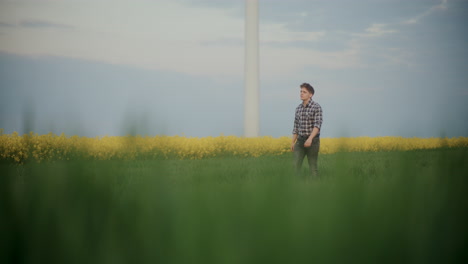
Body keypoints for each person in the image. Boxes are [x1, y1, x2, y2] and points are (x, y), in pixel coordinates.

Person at [291, 83, 323, 178]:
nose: (301, 93)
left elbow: (317, 125)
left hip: (313, 141)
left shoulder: (316, 107)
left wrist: (310, 139)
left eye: (304, 92)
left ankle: (315, 188)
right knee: (295, 166)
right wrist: (293, 142)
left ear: (310, 94)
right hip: (300, 141)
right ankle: (295, 188)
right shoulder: (298, 108)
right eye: (301, 91)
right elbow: (296, 126)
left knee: (313, 167)